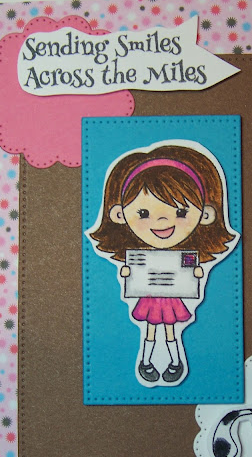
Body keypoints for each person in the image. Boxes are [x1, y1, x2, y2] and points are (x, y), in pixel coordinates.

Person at [90, 143, 238, 385]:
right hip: (149, 297)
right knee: (150, 329)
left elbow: (193, 272)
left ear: (206, 215)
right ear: (119, 214)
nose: (161, 221)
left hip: (171, 298)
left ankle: (175, 362)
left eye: (181, 212)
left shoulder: (187, 257)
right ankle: (146, 362)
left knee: (170, 331)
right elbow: (129, 272)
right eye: (143, 213)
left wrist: (196, 271)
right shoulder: (135, 255)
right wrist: (127, 270)